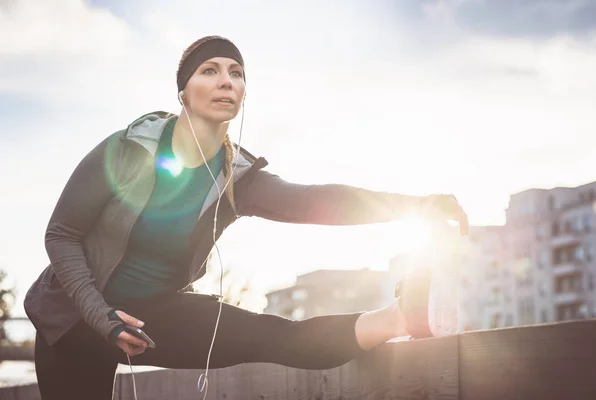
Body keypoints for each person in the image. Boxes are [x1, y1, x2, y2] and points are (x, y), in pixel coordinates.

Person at [24, 35, 469, 400]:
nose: (227, 81)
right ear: (184, 90)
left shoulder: (237, 179)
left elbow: (316, 202)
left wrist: (418, 204)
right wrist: (103, 317)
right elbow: (62, 234)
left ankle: (399, 316)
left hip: (154, 316)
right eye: (210, 70)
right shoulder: (128, 149)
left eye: (236, 73)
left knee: (271, 335)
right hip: (76, 318)